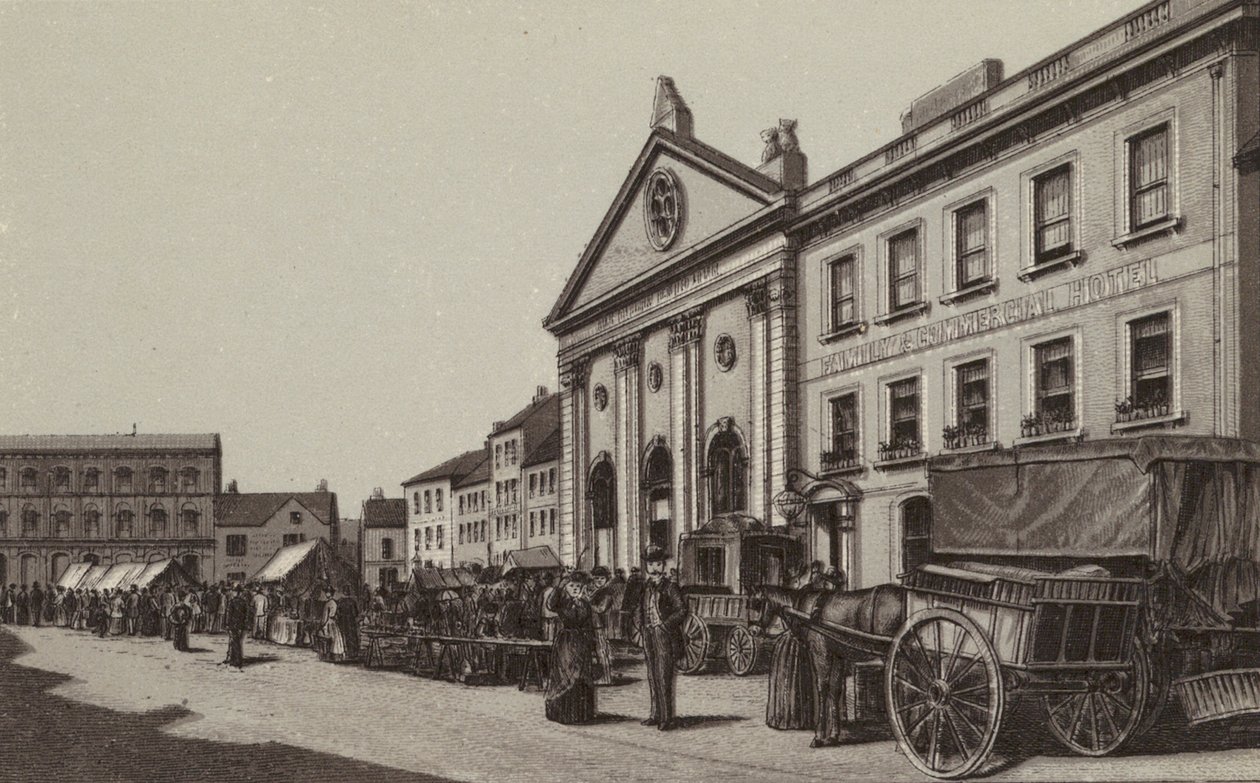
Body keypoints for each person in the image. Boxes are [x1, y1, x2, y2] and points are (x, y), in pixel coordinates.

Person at [630, 545, 687, 731]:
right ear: (646, 566)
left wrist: (664, 625)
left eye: (658, 564)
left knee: (664, 676)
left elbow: (681, 611)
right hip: (649, 634)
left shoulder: (670, 587)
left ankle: (667, 718)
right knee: (652, 675)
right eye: (651, 564)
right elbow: (639, 608)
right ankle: (655, 714)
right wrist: (640, 624)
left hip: (664, 636)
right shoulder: (646, 587)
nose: (654, 568)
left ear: (663, 565)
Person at [544, 571, 597, 724]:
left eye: (578, 586)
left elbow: (589, 624)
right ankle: (563, 714)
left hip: (582, 641)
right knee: (566, 675)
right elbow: (550, 604)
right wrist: (559, 587)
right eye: (572, 586)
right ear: (566, 587)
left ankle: (581, 714)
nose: (575, 588)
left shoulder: (585, 604)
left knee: (582, 674)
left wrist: (592, 644)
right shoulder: (561, 603)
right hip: (565, 642)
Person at [587, 566, 617, 685]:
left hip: (601, 625)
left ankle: (606, 677)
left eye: (602, 578)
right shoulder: (594, 591)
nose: (599, 580)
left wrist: (588, 603)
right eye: (596, 578)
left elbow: (601, 608)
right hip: (592, 625)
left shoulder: (607, 593)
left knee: (602, 652)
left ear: (607, 579)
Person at [317, 587, 348, 662]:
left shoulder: (330, 603)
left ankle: (331, 654)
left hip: (330, 623)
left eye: (328, 592)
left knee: (332, 637)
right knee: (335, 638)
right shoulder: (332, 602)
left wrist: (323, 624)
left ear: (331, 593)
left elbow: (326, 616)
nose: (327, 594)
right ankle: (334, 653)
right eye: (326, 592)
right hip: (332, 622)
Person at [224, 584, 250, 667]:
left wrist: (227, 624)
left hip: (233, 624)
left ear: (236, 592)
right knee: (237, 641)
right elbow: (247, 614)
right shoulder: (244, 602)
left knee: (234, 641)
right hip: (241, 624)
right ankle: (234, 659)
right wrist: (245, 623)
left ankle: (235, 660)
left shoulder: (232, 601)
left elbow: (229, 614)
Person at [539, 573, 558, 641]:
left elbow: (539, 601)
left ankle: (546, 638)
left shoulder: (544, 590)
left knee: (546, 624)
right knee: (550, 624)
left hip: (546, 610)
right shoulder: (554, 590)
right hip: (551, 610)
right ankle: (550, 638)